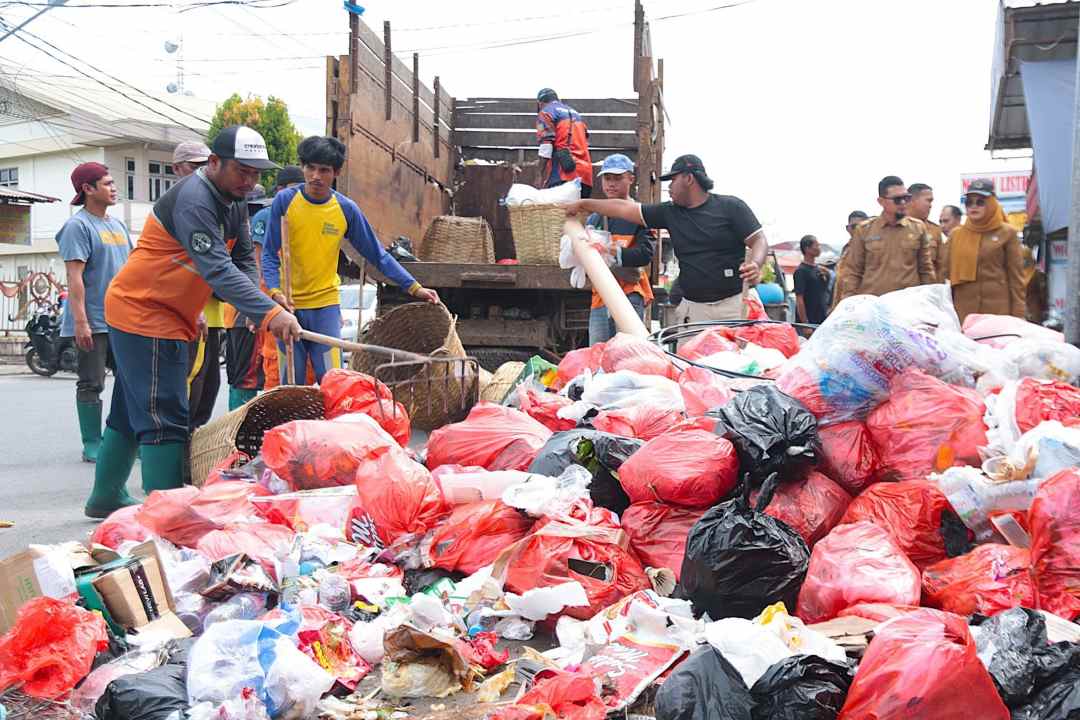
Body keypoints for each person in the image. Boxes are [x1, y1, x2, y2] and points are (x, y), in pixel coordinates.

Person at [84, 125, 302, 518]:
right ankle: (169, 516)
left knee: (129, 411)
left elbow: (241, 261)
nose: (250, 181)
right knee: (164, 414)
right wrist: (269, 314)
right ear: (214, 162)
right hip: (146, 313)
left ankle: (106, 497)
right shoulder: (195, 200)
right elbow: (217, 269)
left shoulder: (234, 200)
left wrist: (259, 305)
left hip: (167, 312)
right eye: (242, 171)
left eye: (255, 173)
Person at [262, 136, 439, 384]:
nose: (315, 176)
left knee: (333, 382)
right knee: (291, 384)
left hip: (325, 305)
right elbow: (269, 254)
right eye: (310, 168)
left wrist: (414, 287)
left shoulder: (345, 209)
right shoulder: (285, 201)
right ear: (302, 167)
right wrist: (274, 292)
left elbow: (377, 254)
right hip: (288, 306)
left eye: (324, 170)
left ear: (336, 172)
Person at [564, 154, 767, 326]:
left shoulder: (731, 207)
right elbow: (623, 208)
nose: (669, 188)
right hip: (694, 311)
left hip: (733, 306)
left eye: (673, 180)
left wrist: (756, 264)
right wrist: (584, 204)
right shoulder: (670, 213)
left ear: (689, 179)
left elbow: (758, 239)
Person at [56, 162, 132, 463]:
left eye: (113, 183)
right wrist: (81, 322)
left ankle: (124, 439)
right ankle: (92, 443)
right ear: (87, 189)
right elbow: (74, 277)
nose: (114, 188)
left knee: (130, 381)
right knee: (92, 382)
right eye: (107, 183)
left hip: (122, 319)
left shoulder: (118, 225)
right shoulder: (78, 226)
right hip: (93, 321)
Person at [172, 141, 223, 431]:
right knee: (187, 382)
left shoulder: (210, 205)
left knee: (209, 384)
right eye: (193, 166)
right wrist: (192, 309)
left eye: (205, 166)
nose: (200, 172)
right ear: (176, 169)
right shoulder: (175, 207)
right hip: (185, 316)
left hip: (213, 315)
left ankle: (193, 441)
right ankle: (176, 445)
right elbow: (177, 265)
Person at [583, 154, 654, 344]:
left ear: (631, 179)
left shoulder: (640, 215)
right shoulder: (595, 218)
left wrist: (611, 251)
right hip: (600, 298)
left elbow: (645, 255)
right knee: (598, 354)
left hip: (629, 295)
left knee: (627, 352)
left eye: (617, 178)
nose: (611, 184)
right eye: (607, 178)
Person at [832, 176, 934, 305]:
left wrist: (928, 302)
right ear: (881, 201)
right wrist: (850, 303)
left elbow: (926, 271)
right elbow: (853, 272)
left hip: (907, 306)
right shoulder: (864, 231)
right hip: (874, 307)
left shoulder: (918, 228)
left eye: (906, 198)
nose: (903, 203)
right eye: (897, 199)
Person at [251, 165, 305, 391]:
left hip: (304, 297)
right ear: (280, 190)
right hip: (274, 299)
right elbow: (259, 263)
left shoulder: (307, 212)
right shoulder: (266, 216)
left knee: (307, 367)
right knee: (276, 364)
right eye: (292, 188)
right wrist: (257, 308)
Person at [943, 177, 1024, 322]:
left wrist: (1018, 315)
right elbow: (943, 272)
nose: (973, 207)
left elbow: (1016, 279)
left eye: (980, 202)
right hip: (964, 313)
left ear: (992, 203)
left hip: (997, 312)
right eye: (969, 202)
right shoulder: (956, 235)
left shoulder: (1007, 233)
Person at [536, 88, 593, 198]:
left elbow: (546, 145)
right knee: (581, 209)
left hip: (564, 175)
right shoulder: (576, 114)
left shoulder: (545, 113)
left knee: (559, 209)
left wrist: (539, 175)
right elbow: (585, 140)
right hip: (585, 175)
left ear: (540, 103)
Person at [908, 182, 946, 281]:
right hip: (903, 288)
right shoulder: (895, 227)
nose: (930, 205)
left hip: (928, 287)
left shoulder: (935, 230)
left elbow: (941, 267)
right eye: (928, 201)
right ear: (912, 200)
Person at [793, 234, 829, 327]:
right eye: (816, 245)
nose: (819, 248)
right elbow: (799, 299)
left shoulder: (820, 270)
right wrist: (805, 324)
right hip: (809, 323)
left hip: (821, 320)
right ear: (807, 249)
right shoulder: (801, 271)